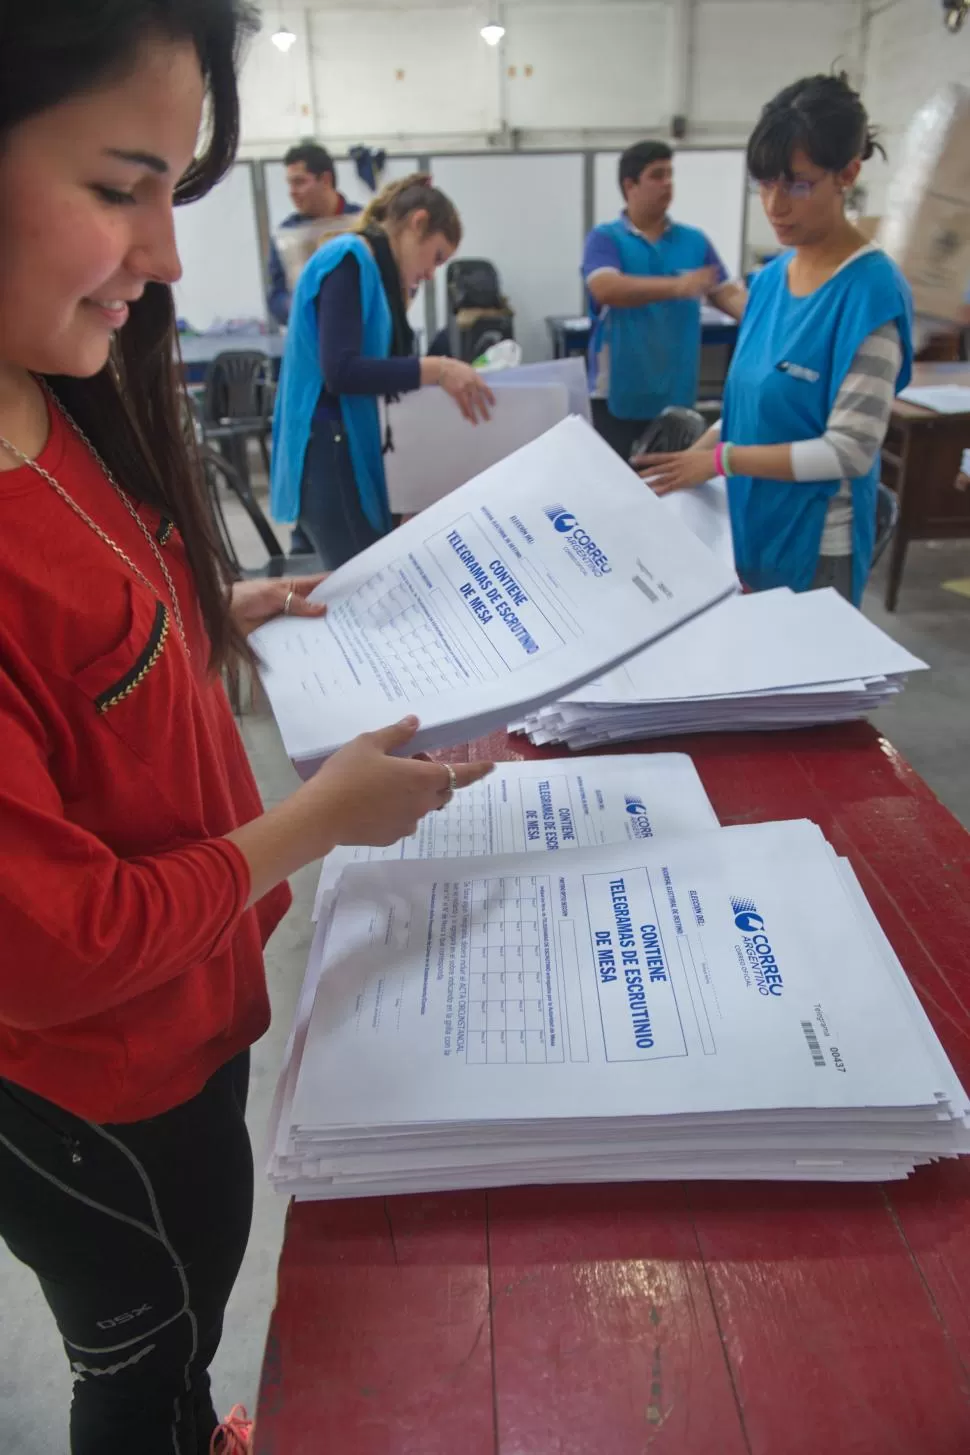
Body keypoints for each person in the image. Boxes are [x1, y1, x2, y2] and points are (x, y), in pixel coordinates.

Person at [0, 7, 493, 1454]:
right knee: (141, 1352)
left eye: (177, 194)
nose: (164, 257)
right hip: (94, 1081)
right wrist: (317, 818)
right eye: (118, 187)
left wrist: (224, 608)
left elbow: (87, 641)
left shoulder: (55, 388)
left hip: (190, 1016)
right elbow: (55, 942)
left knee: (199, 1310)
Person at [637, 74, 914, 606]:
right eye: (764, 183)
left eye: (798, 184)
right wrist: (681, 469)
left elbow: (850, 450)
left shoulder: (870, 293)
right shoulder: (770, 280)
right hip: (744, 524)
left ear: (847, 174)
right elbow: (748, 407)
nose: (775, 204)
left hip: (815, 544)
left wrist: (720, 462)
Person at [270, 174, 496, 571]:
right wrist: (438, 370)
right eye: (437, 257)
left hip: (346, 447)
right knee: (368, 585)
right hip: (328, 451)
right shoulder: (348, 258)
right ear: (418, 223)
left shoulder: (374, 272)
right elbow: (341, 373)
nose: (431, 274)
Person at [582, 140, 747, 459]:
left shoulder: (694, 241)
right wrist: (678, 286)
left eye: (670, 174)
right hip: (617, 394)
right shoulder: (606, 239)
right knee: (617, 487)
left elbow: (727, 294)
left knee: (671, 492)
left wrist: (771, 320)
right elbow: (606, 288)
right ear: (629, 185)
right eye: (657, 175)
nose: (667, 183)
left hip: (675, 395)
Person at [265, 141, 361, 327]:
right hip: (308, 338)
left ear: (325, 180)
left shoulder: (363, 224)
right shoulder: (286, 235)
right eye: (289, 184)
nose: (292, 192)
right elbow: (276, 295)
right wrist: (294, 306)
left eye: (299, 182)